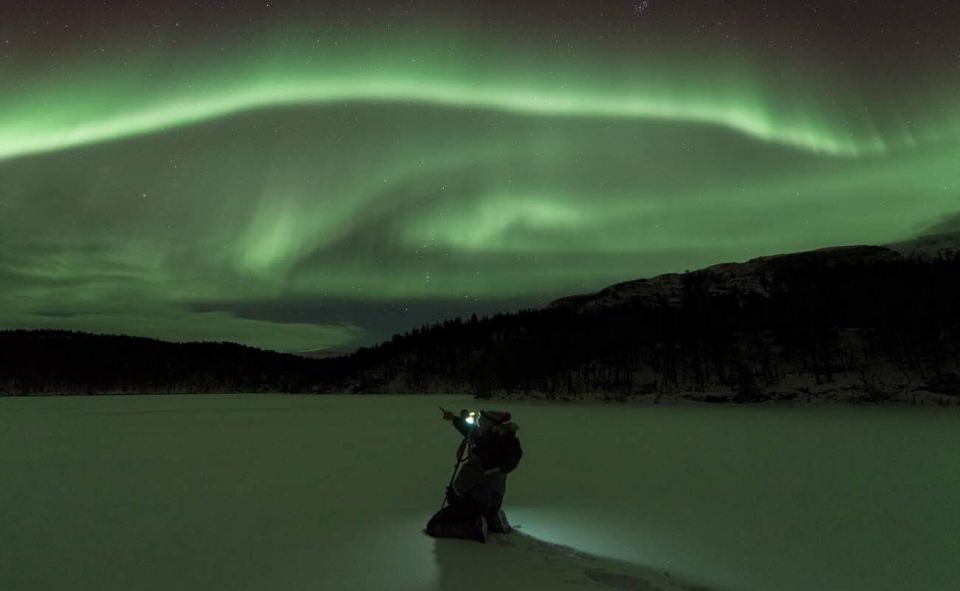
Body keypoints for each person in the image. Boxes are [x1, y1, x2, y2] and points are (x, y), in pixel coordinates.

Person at [425, 407, 522, 543]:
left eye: (480, 425)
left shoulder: (483, 453)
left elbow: (462, 484)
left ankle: (475, 527)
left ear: (487, 427)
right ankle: (492, 518)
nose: (478, 427)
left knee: (434, 525)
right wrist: (454, 419)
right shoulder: (503, 444)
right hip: (495, 500)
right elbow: (473, 433)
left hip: (476, 502)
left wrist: (453, 494)